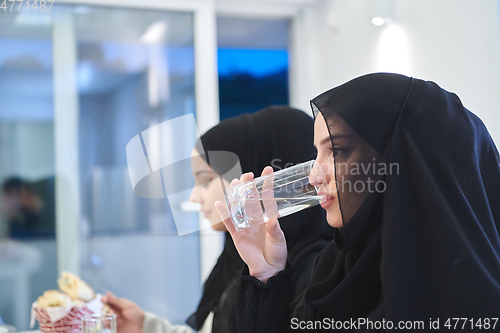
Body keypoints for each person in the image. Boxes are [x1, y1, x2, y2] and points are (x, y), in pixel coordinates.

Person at [215, 73, 500, 332]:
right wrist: (264, 277)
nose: (314, 176)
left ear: (402, 162)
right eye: (317, 154)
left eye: (336, 151)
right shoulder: (333, 273)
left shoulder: (472, 306)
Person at [101, 106, 333, 333]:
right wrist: (146, 327)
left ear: (252, 177)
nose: (194, 196)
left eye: (205, 180)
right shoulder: (235, 262)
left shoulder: (318, 279)